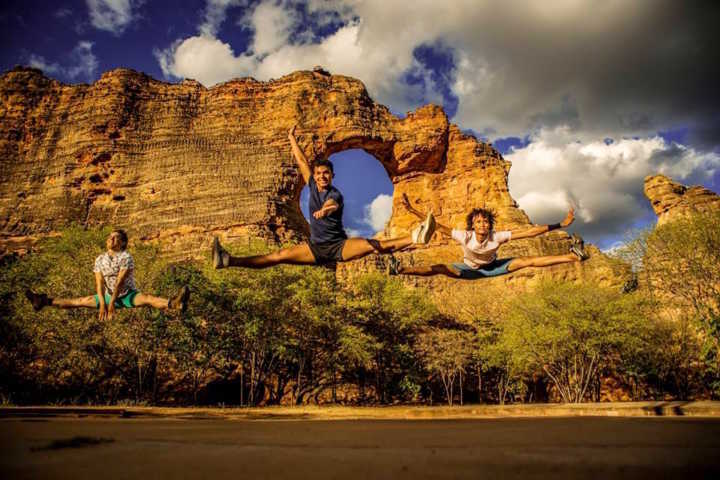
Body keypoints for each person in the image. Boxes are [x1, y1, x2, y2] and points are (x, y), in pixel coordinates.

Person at [212, 126, 436, 269]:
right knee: (277, 256)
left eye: (326, 173)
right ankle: (228, 261)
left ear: (332, 176)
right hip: (315, 248)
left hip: (338, 246)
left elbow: (332, 205)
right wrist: (291, 139)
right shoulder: (312, 183)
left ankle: (414, 237)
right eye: (319, 174)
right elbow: (301, 162)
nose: (321, 176)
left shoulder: (334, 193)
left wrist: (324, 211)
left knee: (372, 245)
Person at [388, 193, 588, 279]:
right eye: (478, 222)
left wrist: (561, 224)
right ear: (472, 225)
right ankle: (401, 269)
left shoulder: (496, 237)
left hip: (495, 267)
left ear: (489, 225)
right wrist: (413, 211)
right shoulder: (464, 236)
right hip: (469, 269)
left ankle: (573, 256)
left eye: (485, 222)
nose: (482, 224)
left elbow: (530, 231)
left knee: (528, 261)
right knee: (440, 268)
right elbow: (436, 225)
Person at [25, 229, 189, 319]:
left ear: (122, 243)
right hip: (108, 295)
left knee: (147, 298)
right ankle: (43, 301)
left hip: (126, 294)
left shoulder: (126, 257)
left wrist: (111, 305)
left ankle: (174, 304)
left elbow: (119, 282)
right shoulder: (100, 259)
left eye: (116, 237)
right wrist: (103, 303)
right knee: (79, 301)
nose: (111, 239)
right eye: (110, 236)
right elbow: (99, 284)